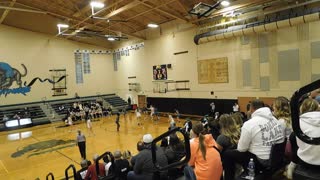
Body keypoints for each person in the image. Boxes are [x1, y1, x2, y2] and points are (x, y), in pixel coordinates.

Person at [223, 99, 285, 180]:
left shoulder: (249, 124)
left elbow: (241, 149)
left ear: (251, 109)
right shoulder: (275, 120)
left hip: (261, 162)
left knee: (228, 154)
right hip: (276, 159)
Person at [296, 98, 320, 168]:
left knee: (293, 137)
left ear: (302, 108)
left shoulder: (298, 122)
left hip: (306, 161)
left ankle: (293, 164)